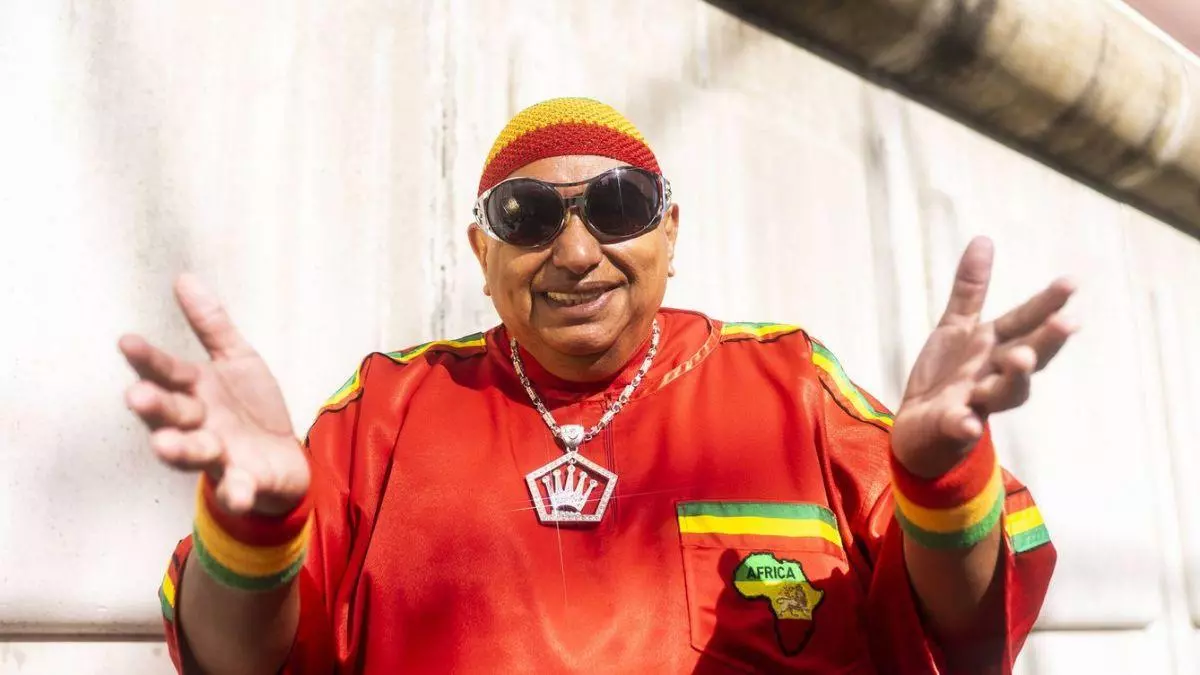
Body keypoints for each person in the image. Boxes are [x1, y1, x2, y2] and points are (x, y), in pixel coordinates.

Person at [122, 98, 1073, 674]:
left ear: (670, 233)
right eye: (529, 216)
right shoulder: (383, 414)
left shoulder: (790, 387)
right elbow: (231, 660)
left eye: (618, 207)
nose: (576, 251)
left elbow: (961, 635)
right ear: (482, 254)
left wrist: (942, 478)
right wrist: (252, 526)